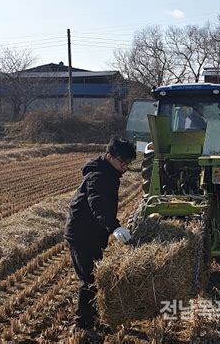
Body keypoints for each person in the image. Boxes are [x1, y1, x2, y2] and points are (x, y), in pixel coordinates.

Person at [64, 137, 136, 338]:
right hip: (81, 233)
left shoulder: (108, 172)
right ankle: (82, 327)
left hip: (91, 233)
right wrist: (114, 227)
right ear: (109, 156)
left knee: (95, 278)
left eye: (127, 163)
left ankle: (93, 320)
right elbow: (97, 203)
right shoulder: (98, 175)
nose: (124, 167)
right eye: (122, 162)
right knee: (88, 280)